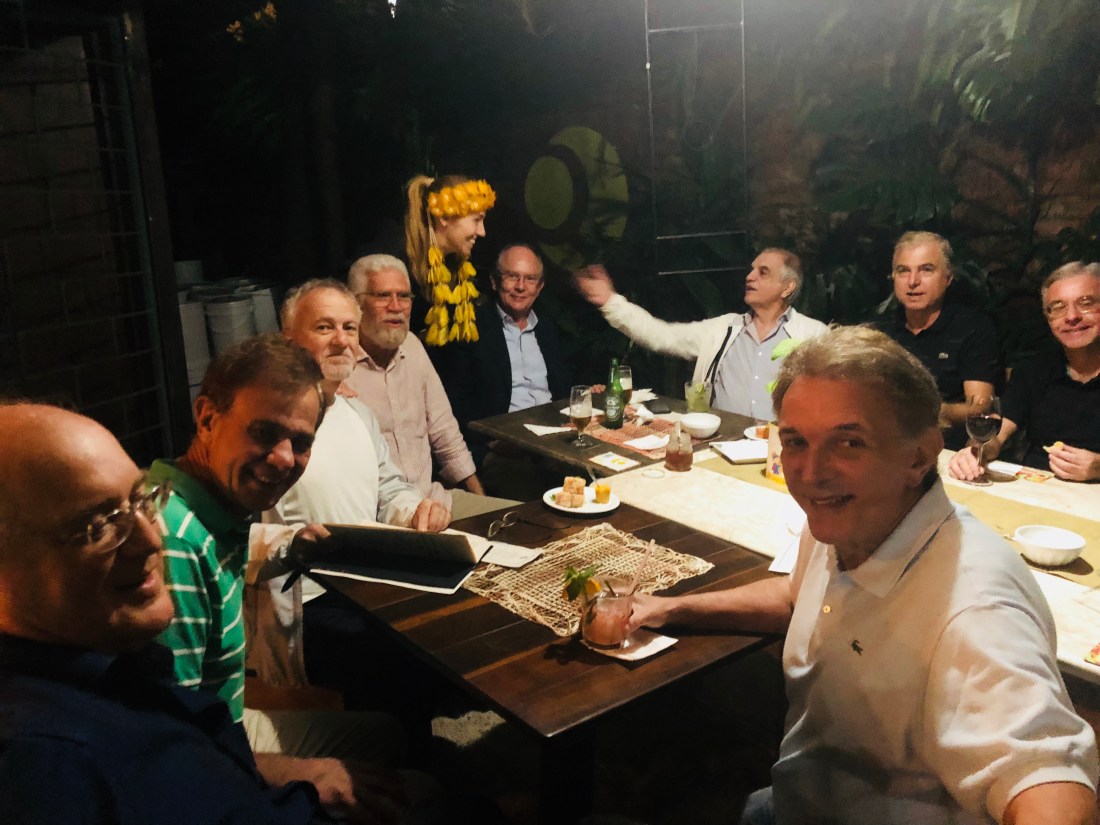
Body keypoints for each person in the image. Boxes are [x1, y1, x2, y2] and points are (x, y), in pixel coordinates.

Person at [629, 326, 1099, 825]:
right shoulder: (850, 518)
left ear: (920, 455)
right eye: (796, 441)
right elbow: (796, 598)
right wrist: (671, 608)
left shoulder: (975, 608)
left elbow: (1050, 785)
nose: (811, 473)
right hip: (795, 799)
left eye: (849, 442)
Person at [0, 402, 330, 824]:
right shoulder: (50, 772)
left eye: (142, 499)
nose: (151, 540)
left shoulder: (108, 667)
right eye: (97, 526)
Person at [149, 334, 420, 823]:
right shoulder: (174, 544)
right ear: (207, 419)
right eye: (264, 432)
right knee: (424, 796)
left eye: (301, 442)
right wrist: (298, 774)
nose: (283, 458)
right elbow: (166, 752)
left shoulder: (206, 507)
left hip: (220, 725)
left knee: (387, 733)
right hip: (202, 755)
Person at [265, 280, 457, 752]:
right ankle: (400, 764)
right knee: (392, 656)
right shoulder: (268, 421)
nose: (342, 340)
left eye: (349, 328)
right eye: (324, 327)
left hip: (367, 582)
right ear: (288, 340)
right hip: (302, 599)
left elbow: (389, 487)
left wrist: (416, 509)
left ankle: (412, 751)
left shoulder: (356, 411)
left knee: (446, 622)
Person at [344, 255, 514, 519]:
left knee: (516, 520)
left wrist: (481, 505)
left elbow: (444, 431)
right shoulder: (339, 367)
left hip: (434, 500)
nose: (396, 306)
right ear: (355, 303)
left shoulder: (412, 346)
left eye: (404, 296)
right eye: (383, 296)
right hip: (380, 516)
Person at [574, 249, 827, 419]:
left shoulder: (814, 336)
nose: (750, 277)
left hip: (779, 450)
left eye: (763, 272)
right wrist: (610, 301)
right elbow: (661, 335)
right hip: (721, 446)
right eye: (751, 270)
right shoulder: (723, 330)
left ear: (787, 288)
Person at [949, 261, 1100, 482]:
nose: (1071, 316)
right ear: (1048, 318)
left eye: (1085, 303)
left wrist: (1098, 467)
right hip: (1036, 488)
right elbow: (997, 435)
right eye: (1058, 307)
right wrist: (975, 452)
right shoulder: (1034, 370)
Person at [434, 243, 572, 464]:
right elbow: (453, 401)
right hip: (504, 446)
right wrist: (490, 441)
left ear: (540, 286)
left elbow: (563, 390)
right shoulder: (471, 329)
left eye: (530, 279)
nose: (521, 286)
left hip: (555, 439)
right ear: (494, 281)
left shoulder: (547, 329)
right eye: (512, 276)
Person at [879, 230, 1000, 450]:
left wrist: (924, 411)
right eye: (903, 271)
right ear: (893, 278)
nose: (913, 282)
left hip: (947, 450)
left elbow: (980, 407)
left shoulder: (973, 328)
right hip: (884, 445)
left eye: (926, 270)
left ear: (948, 278)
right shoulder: (881, 330)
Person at [404, 174, 495, 346]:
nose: (482, 232)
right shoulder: (399, 265)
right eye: (476, 220)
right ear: (444, 217)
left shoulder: (459, 268)